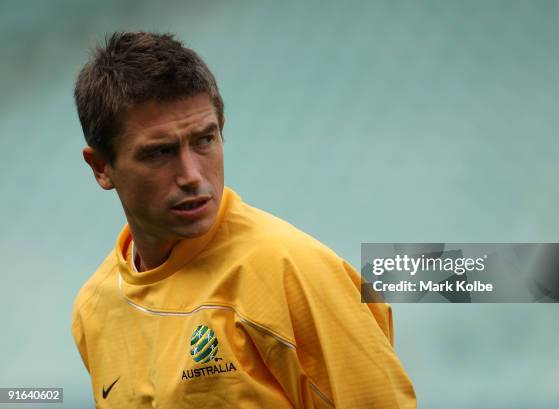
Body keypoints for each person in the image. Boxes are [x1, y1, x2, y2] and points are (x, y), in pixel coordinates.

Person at [71, 31, 416, 408]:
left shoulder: (291, 271)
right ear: (102, 167)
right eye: (160, 153)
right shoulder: (95, 308)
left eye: (204, 140)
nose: (191, 175)